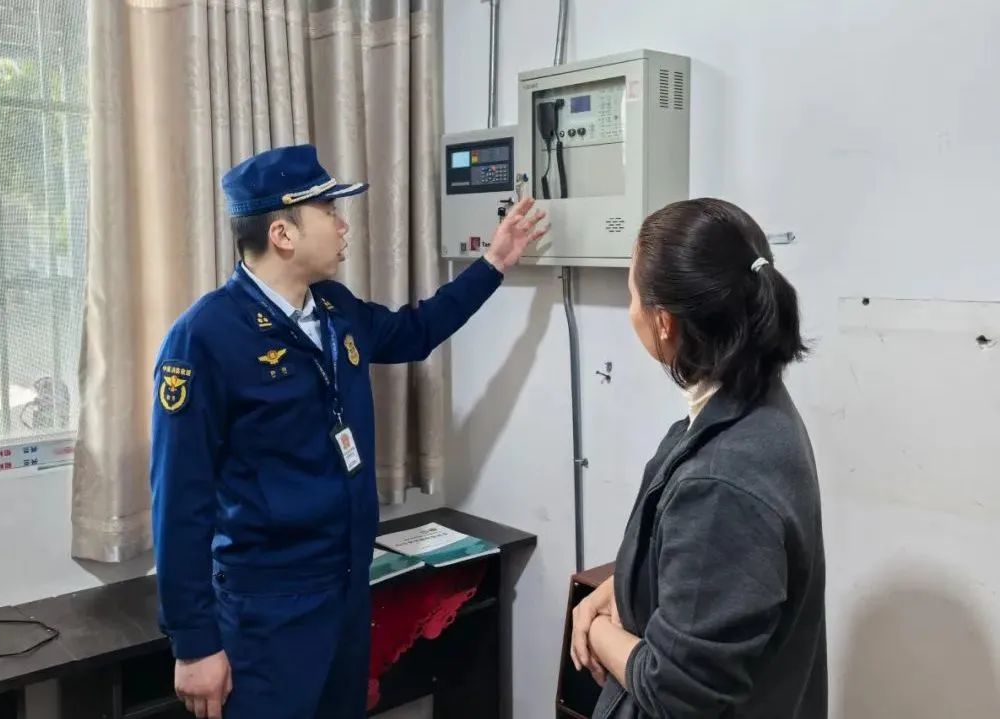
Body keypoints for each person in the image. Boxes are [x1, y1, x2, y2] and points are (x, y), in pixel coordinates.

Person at [149, 144, 546, 719]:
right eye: (329, 211)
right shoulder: (205, 337)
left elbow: (415, 331)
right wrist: (193, 644)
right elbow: (178, 500)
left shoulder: (334, 309)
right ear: (282, 233)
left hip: (348, 587)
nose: (343, 225)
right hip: (269, 607)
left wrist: (494, 264)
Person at [570, 198, 826, 718]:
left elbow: (674, 691)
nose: (630, 311)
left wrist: (594, 629)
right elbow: (709, 582)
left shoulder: (721, 483)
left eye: (632, 296)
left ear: (664, 322)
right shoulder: (757, 406)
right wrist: (620, 588)